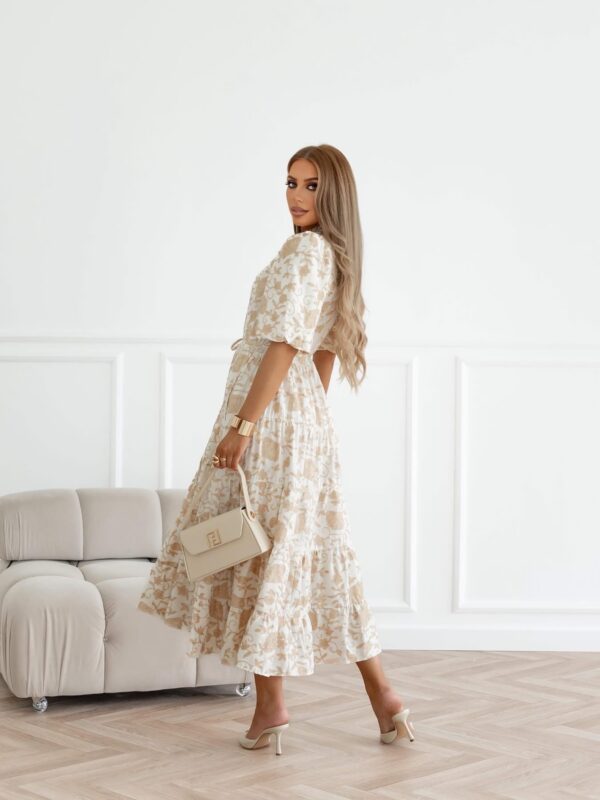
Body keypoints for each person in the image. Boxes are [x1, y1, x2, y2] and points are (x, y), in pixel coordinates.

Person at [137, 144, 414, 753]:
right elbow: (323, 353)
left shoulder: (306, 252)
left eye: (311, 186)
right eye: (291, 182)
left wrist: (246, 424)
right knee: (317, 558)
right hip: (300, 424)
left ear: (333, 194)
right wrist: (304, 424)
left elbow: (286, 344)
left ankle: (271, 707)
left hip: (269, 423)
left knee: (259, 552)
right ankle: (385, 699)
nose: (296, 195)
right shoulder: (334, 257)